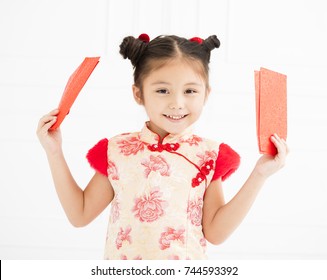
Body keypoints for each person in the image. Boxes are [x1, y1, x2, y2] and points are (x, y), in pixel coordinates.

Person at [37, 34, 289, 260]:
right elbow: (80, 214)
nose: (177, 103)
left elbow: (216, 233)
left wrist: (260, 174)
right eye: (162, 90)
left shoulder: (208, 155)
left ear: (206, 94)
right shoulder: (117, 151)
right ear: (139, 94)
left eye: (190, 90)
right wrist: (54, 151)